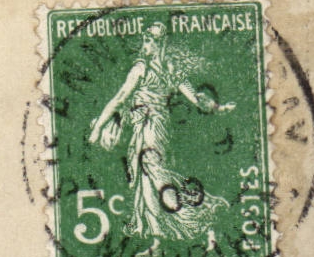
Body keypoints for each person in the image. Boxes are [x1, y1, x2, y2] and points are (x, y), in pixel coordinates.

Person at [87, 21, 235, 242]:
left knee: (150, 172)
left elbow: (119, 99)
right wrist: (217, 108)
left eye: (148, 40)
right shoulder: (170, 69)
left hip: (150, 128)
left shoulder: (141, 69)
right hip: (156, 127)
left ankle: (194, 214)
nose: (144, 45)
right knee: (148, 175)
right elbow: (196, 99)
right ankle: (156, 233)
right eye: (145, 40)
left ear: (158, 43)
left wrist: (98, 128)